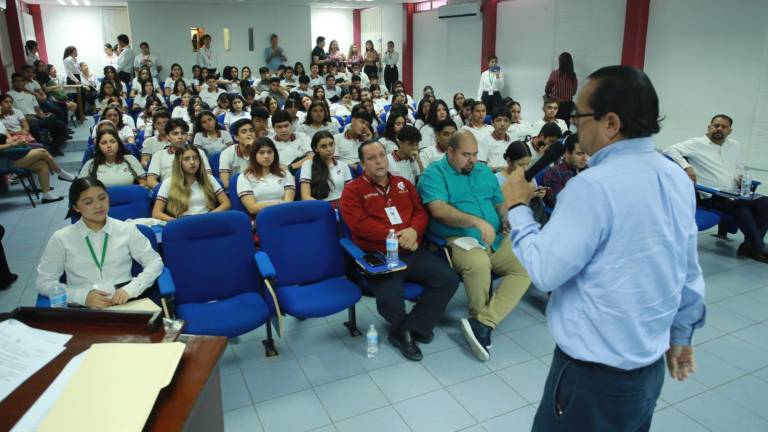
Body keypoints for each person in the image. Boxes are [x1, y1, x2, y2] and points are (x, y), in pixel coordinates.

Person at [500, 65, 707, 430]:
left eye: (578, 115)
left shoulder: (593, 186)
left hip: (592, 378)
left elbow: (545, 271)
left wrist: (517, 208)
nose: (573, 125)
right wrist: (682, 336)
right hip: (648, 369)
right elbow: (687, 270)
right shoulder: (674, 176)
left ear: (611, 123)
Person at [417, 130, 531, 362]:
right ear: (449, 151)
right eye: (466, 155)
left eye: (475, 154)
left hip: (496, 237)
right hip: (458, 238)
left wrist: (506, 217)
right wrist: (476, 222)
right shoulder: (434, 174)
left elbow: (499, 203)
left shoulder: (482, 171)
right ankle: (480, 321)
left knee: (526, 262)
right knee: (478, 264)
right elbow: (438, 210)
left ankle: (483, 322)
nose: (472, 160)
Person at [340, 139, 458, 360]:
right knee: (390, 302)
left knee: (449, 279)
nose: (378, 161)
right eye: (371, 158)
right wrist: (395, 236)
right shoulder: (353, 191)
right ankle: (408, 330)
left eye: (381, 155)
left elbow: (420, 213)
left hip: (411, 249)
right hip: (381, 256)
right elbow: (359, 225)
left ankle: (405, 331)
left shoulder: (403, 184)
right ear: (362, 163)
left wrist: (413, 231)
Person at [37, 178, 163, 308]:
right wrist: (82, 297)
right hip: (83, 305)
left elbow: (155, 262)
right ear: (75, 207)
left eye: (102, 198)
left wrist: (131, 289)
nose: (98, 206)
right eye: (88, 202)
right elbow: (44, 282)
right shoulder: (62, 238)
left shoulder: (126, 229)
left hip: (124, 300)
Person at [664, 115, 768, 263]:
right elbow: (669, 150)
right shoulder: (696, 144)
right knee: (740, 207)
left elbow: (738, 167)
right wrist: (687, 167)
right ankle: (758, 246)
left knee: (765, 203)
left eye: (723, 127)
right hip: (712, 195)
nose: (719, 129)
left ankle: (749, 245)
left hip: (735, 192)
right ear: (709, 127)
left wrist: (740, 177)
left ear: (729, 131)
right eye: (716, 125)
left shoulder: (735, 145)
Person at [0, 111, 74, 203]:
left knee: (42, 164)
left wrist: (16, 141)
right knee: (42, 152)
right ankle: (62, 174)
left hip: (10, 154)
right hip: (3, 160)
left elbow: (8, 139)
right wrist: (13, 144)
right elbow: (7, 143)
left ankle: (47, 195)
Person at [153, 143, 230, 221]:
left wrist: (209, 216)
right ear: (179, 162)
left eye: (195, 158)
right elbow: (156, 213)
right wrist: (175, 222)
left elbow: (226, 203)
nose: (192, 162)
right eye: (186, 159)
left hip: (207, 219)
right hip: (182, 222)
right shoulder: (168, 183)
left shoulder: (209, 179)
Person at [7, 73, 68, 154]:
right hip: (23, 119)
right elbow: (10, 111)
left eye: (21, 81)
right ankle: (44, 149)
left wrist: (43, 115)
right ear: (13, 83)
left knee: (59, 124)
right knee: (35, 123)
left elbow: (37, 109)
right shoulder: (9, 95)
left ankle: (54, 148)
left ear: (24, 82)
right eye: (16, 81)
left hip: (36, 117)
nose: (19, 83)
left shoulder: (30, 95)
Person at [237, 137, 295, 216]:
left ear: (275, 154)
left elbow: (288, 204)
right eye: (261, 152)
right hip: (261, 217)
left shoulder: (286, 174)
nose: (266, 156)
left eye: (269, 152)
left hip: (284, 214)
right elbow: (252, 208)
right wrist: (278, 203)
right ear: (254, 155)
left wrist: (272, 205)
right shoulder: (244, 177)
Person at [147, 119, 211, 188]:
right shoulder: (159, 155)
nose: (180, 137)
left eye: (183, 133)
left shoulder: (199, 152)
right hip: (170, 193)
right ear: (168, 136)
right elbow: (151, 180)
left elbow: (208, 176)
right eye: (175, 134)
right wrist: (165, 191)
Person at [80, 128, 146, 188]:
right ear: (98, 147)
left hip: (129, 198)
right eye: (104, 143)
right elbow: (80, 186)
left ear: (118, 144)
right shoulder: (90, 164)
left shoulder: (130, 159)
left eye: (113, 142)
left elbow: (143, 181)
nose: (109, 145)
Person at [297, 130, 349, 205]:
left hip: (343, 205)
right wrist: (325, 208)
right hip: (320, 206)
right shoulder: (308, 164)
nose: (329, 149)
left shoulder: (343, 165)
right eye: (323, 146)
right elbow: (305, 197)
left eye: (331, 144)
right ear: (315, 149)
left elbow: (350, 194)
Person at [541, 133, 588, 207]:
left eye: (586, 153)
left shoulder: (587, 169)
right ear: (567, 153)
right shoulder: (554, 173)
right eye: (579, 154)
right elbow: (559, 204)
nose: (585, 158)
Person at [220, 119, 255, 189]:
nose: (249, 134)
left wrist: (254, 151)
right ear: (236, 137)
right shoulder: (227, 153)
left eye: (251, 131)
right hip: (236, 190)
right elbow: (224, 182)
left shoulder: (261, 151)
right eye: (244, 132)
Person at [545, 52, 578, 127]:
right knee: (565, 127)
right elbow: (573, 92)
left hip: (556, 105)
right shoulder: (573, 75)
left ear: (560, 62)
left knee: (554, 126)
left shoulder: (555, 73)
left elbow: (548, 87)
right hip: (568, 106)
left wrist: (548, 94)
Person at [478, 107, 514, 171]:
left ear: (510, 123)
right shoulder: (483, 141)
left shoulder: (513, 142)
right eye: (499, 120)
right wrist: (501, 170)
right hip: (491, 177)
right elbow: (481, 168)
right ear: (492, 123)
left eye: (506, 120)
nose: (502, 124)